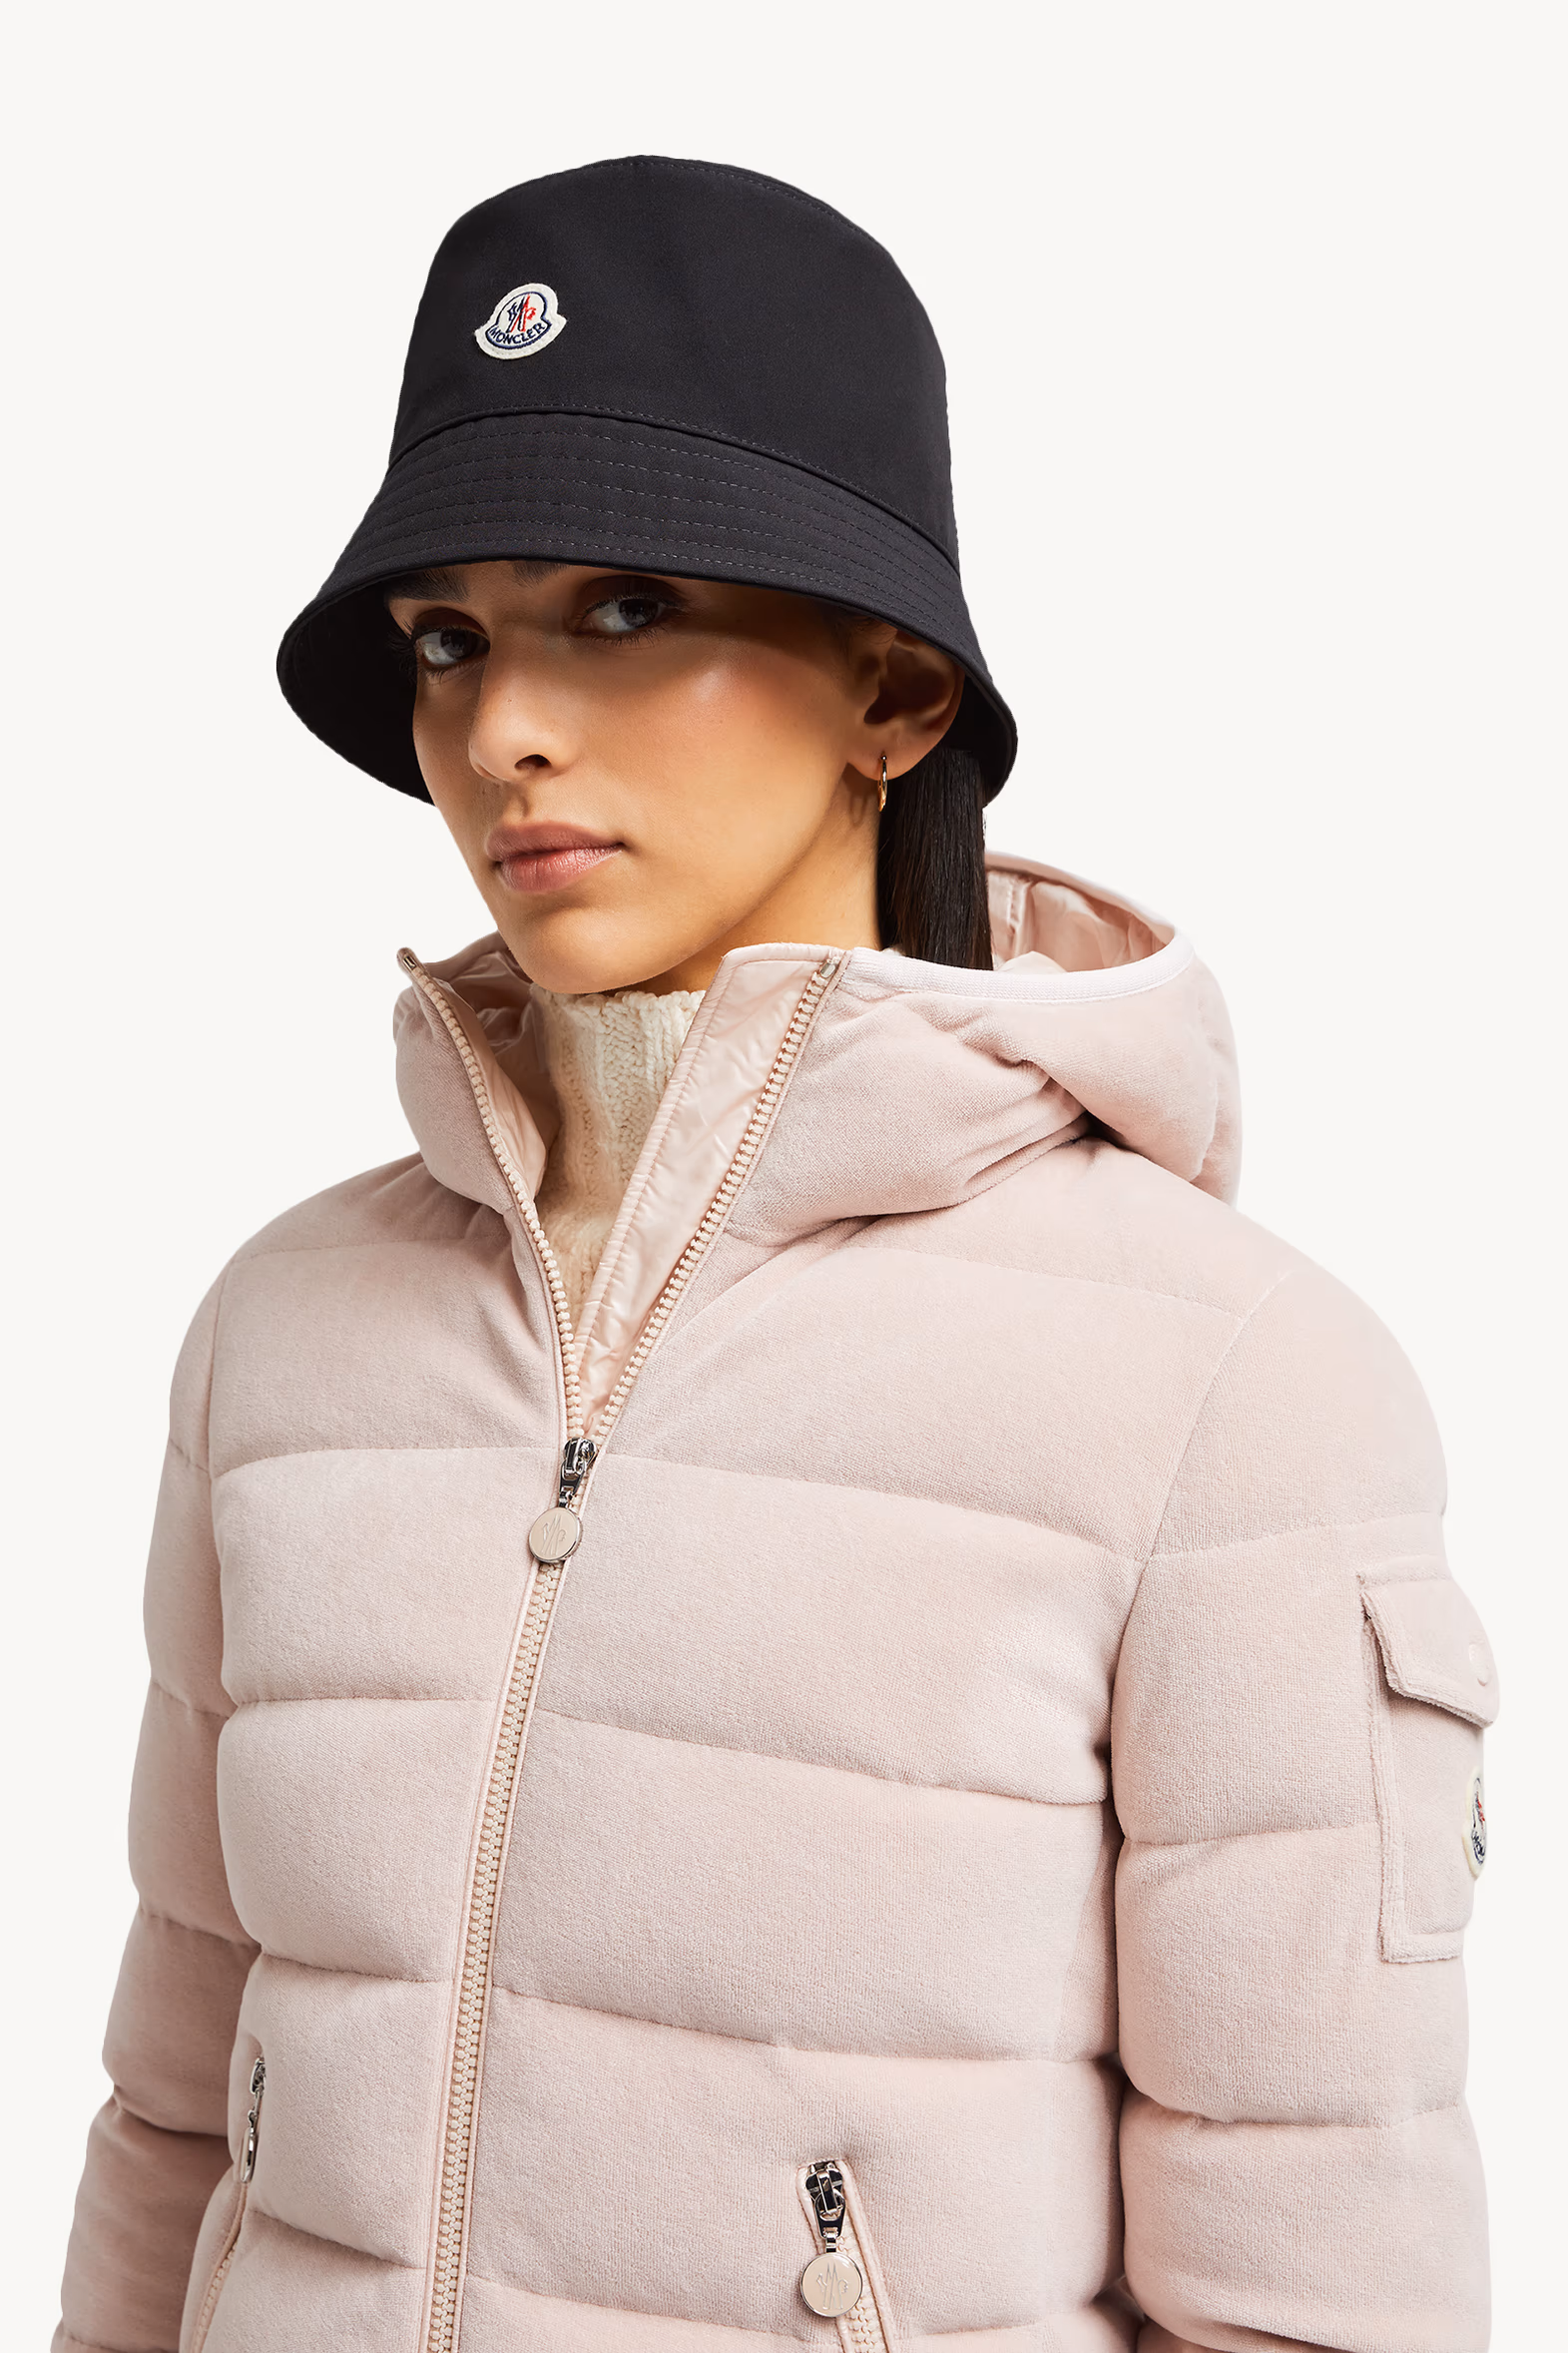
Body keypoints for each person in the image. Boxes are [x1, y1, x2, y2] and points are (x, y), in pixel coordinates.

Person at [55, 156, 1496, 2353]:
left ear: (892, 696)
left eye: (627, 607)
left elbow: (1318, 2275)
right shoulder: (287, 1326)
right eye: (447, 636)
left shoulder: (1227, 1381)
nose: (501, 729)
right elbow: (177, 2102)